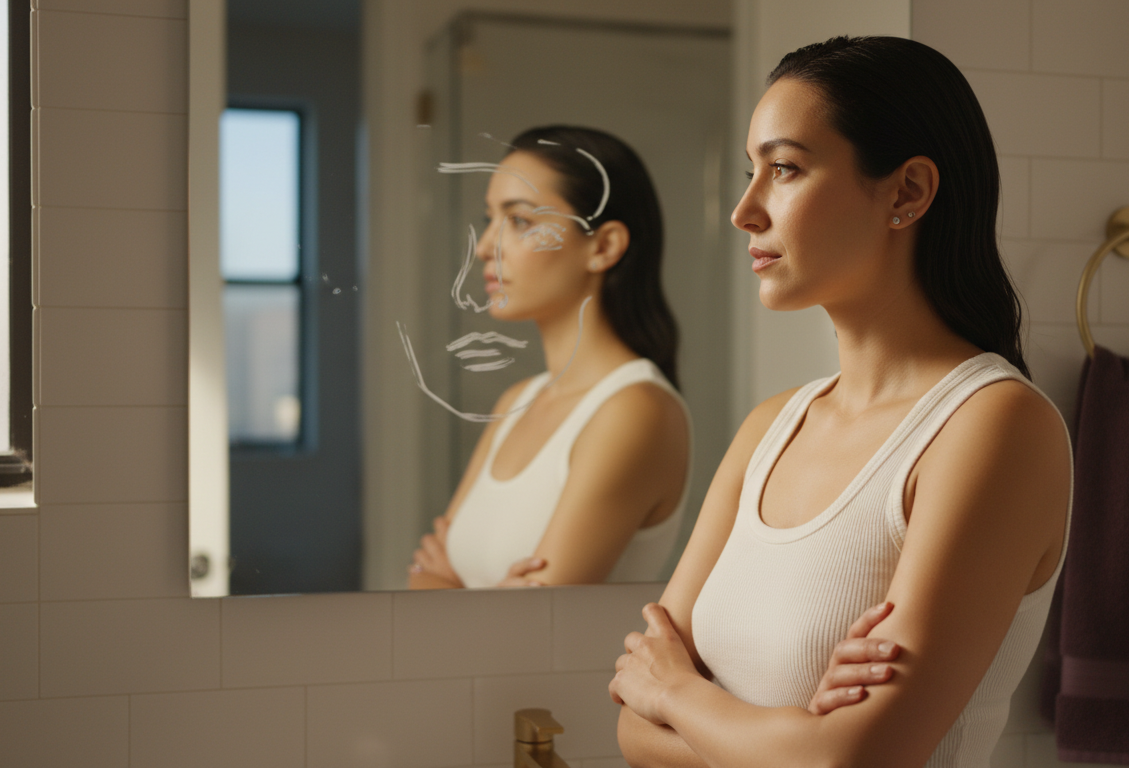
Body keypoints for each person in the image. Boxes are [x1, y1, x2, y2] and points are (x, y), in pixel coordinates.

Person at [610, 36, 1073, 768]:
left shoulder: (994, 427)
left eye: (785, 169)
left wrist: (679, 698)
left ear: (907, 193)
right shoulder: (769, 428)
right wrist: (793, 739)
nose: (744, 211)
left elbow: (854, 760)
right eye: (749, 172)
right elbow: (631, 732)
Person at [408, 126, 691, 589]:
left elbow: (536, 626)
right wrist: (461, 588)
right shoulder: (516, 401)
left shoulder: (635, 411)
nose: (484, 247)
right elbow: (424, 580)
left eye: (519, 221)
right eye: (489, 219)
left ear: (602, 246)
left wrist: (451, 584)